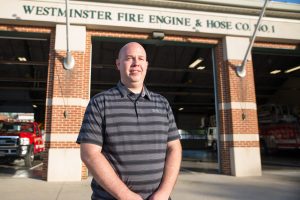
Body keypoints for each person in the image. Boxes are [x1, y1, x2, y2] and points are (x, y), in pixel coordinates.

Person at [76, 42, 182, 200]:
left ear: (146, 65)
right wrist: (125, 196)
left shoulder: (162, 103)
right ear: (118, 64)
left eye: (140, 58)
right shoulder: (100, 102)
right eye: (129, 58)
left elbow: (175, 148)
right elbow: (90, 154)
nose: (136, 63)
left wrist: (164, 193)